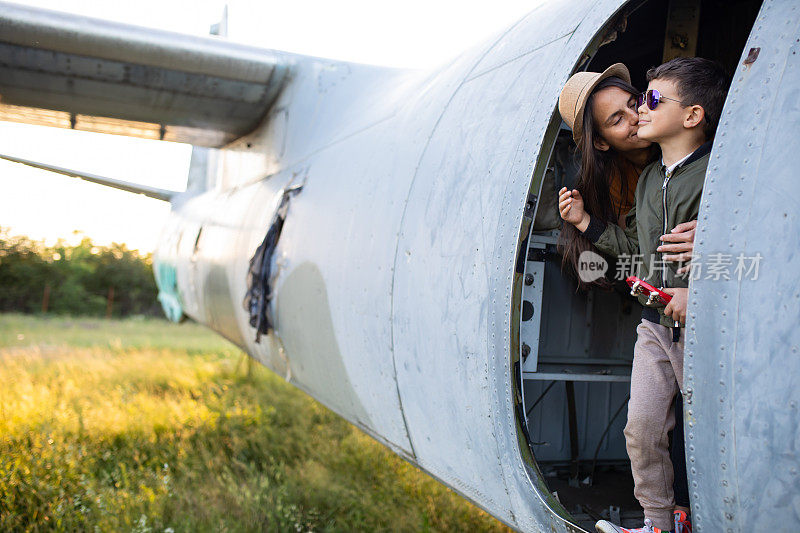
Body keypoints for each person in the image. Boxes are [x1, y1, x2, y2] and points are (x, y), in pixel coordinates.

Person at [560, 57, 729, 533]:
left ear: (692, 115)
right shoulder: (651, 182)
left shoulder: (721, 170)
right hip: (654, 327)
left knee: (709, 433)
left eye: (645, 101)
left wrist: (712, 255)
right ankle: (658, 523)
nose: (638, 114)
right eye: (620, 117)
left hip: (701, 331)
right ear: (601, 140)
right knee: (642, 430)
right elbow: (637, 249)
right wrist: (586, 225)